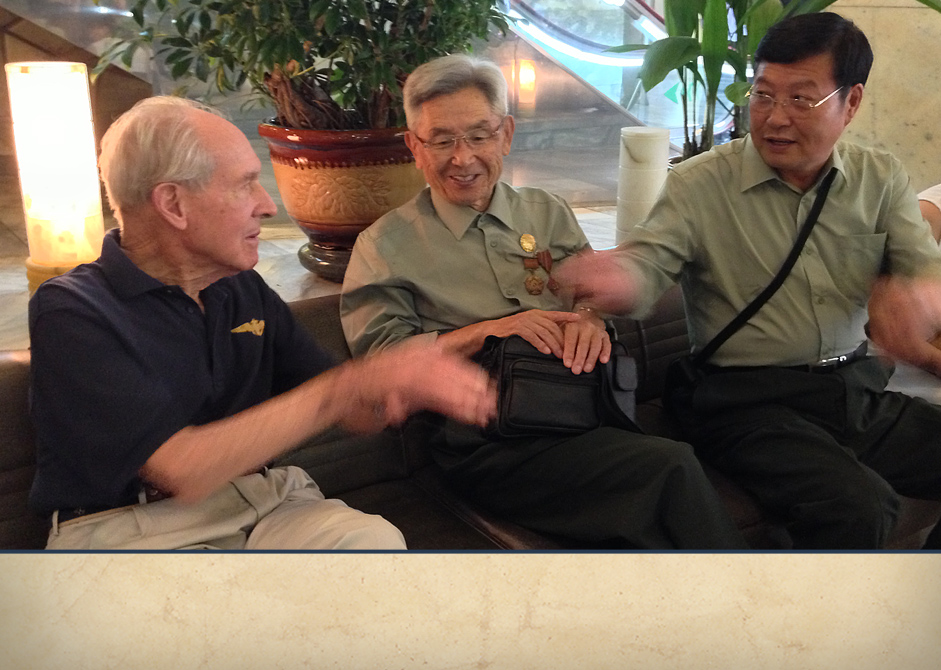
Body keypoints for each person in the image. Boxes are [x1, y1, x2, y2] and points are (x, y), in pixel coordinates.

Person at [28, 96, 497, 551]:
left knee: (370, 544)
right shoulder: (74, 310)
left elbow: (350, 407)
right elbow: (183, 469)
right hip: (130, 527)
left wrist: (405, 383)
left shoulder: (242, 289)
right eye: (244, 184)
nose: (267, 205)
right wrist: (357, 383)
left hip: (265, 502)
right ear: (173, 204)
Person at [555, 13, 941, 549]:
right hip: (745, 402)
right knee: (860, 507)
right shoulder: (699, 183)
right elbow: (647, 262)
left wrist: (921, 299)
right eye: (762, 95)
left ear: (850, 103)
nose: (774, 118)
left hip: (851, 389)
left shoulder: (880, 178)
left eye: (801, 99)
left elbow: (925, 270)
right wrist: (617, 278)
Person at [339, 54, 747, 549]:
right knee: (671, 468)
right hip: (487, 444)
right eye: (442, 140)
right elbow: (381, 368)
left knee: (664, 503)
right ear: (414, 147)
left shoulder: (546, 212)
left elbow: (590, 302)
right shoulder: (384, 246)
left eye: (478, 135)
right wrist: (489, 332)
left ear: (506, 135)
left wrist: (589, 319)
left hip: (579, 410)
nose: (462, 158)